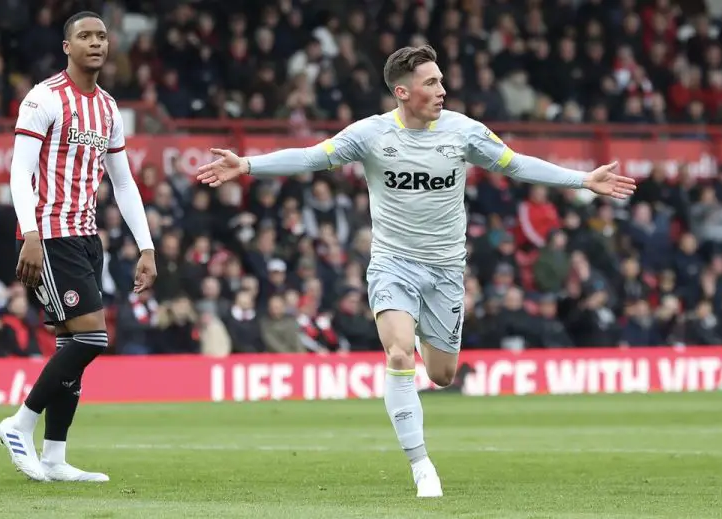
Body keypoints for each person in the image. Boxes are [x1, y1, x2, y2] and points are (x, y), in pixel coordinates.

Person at [196, 44, 635, 498]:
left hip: (446, 270)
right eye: (432, 83)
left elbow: (517, 164)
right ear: (402, 92)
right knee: (399, 354)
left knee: (443, 374)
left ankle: (428, 348)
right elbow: (311, 157)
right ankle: (421, 464)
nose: (443, 90)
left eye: (442, 80)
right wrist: (246, 164)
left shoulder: (464, 132)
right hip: (393, 264)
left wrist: (582, 180)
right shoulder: (371, 135)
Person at [0, 12, 156, 483]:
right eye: (84, 36)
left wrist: (145, 246)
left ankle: (55, 456)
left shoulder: (107, 108)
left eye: (102, 36)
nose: (95, 43)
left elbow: (123, 184)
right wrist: (29, 233)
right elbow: (18, 173)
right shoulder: (43, 98)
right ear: (67, 46)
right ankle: (18, 423)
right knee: (91, 338)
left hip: (87, 237)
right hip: (49, 234)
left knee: (72, 342)